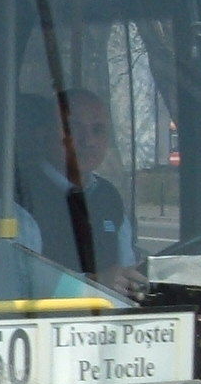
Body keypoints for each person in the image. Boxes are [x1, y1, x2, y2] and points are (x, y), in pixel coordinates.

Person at [14, 89, 140, 294]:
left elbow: (127, 273)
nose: (89, 141)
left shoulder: (109, 197)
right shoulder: (20, 197)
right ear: (44, 133)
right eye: (73, 128)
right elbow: (20, 285)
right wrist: (92, 285)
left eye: (98, 130)